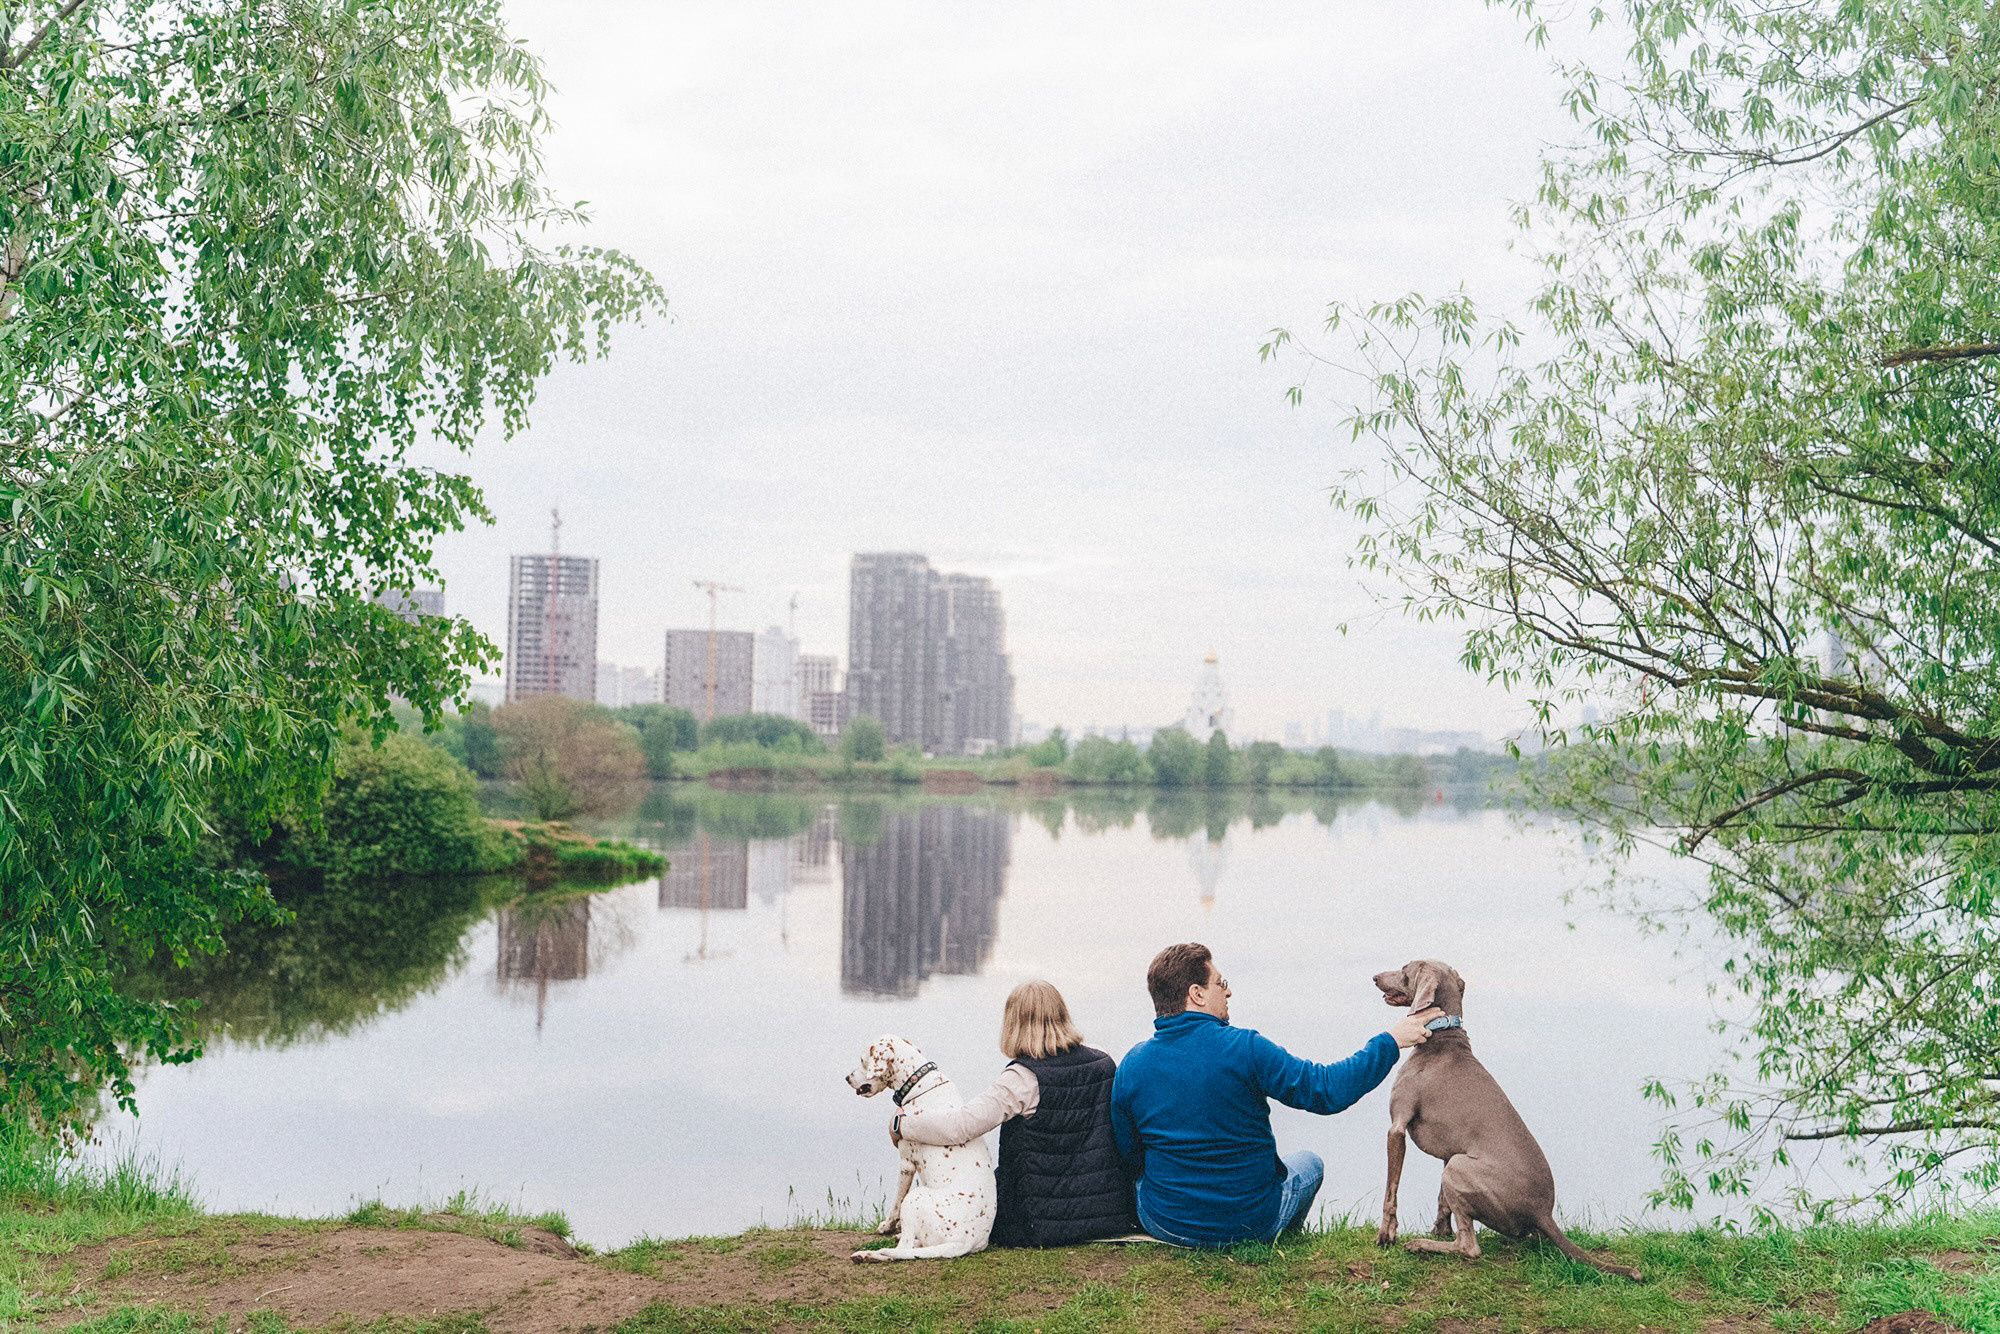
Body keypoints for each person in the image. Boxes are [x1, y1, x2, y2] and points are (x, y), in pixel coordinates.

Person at [1111, 942, 1440, 1248]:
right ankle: (1277, 1234)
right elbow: (1327, 1090)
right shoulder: (1246, 1048)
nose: (1228, 991)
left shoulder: (1133, 1064)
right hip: (1249, 1223)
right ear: (1196, 994)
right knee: (1310, 1163)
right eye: (1220, 983)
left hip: (1166, 1223)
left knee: (1147, 1181)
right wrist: (1390, 1040)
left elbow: (1129, 1153)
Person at [892, 979, 1138, 1246]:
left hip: (1038, 1220)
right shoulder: (1103, 1062)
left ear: (1013, 1024)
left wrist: (902, 1125)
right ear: (1063, 1015)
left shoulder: (1021, 1079)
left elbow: (959, 1127)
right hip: (1107, 1211)